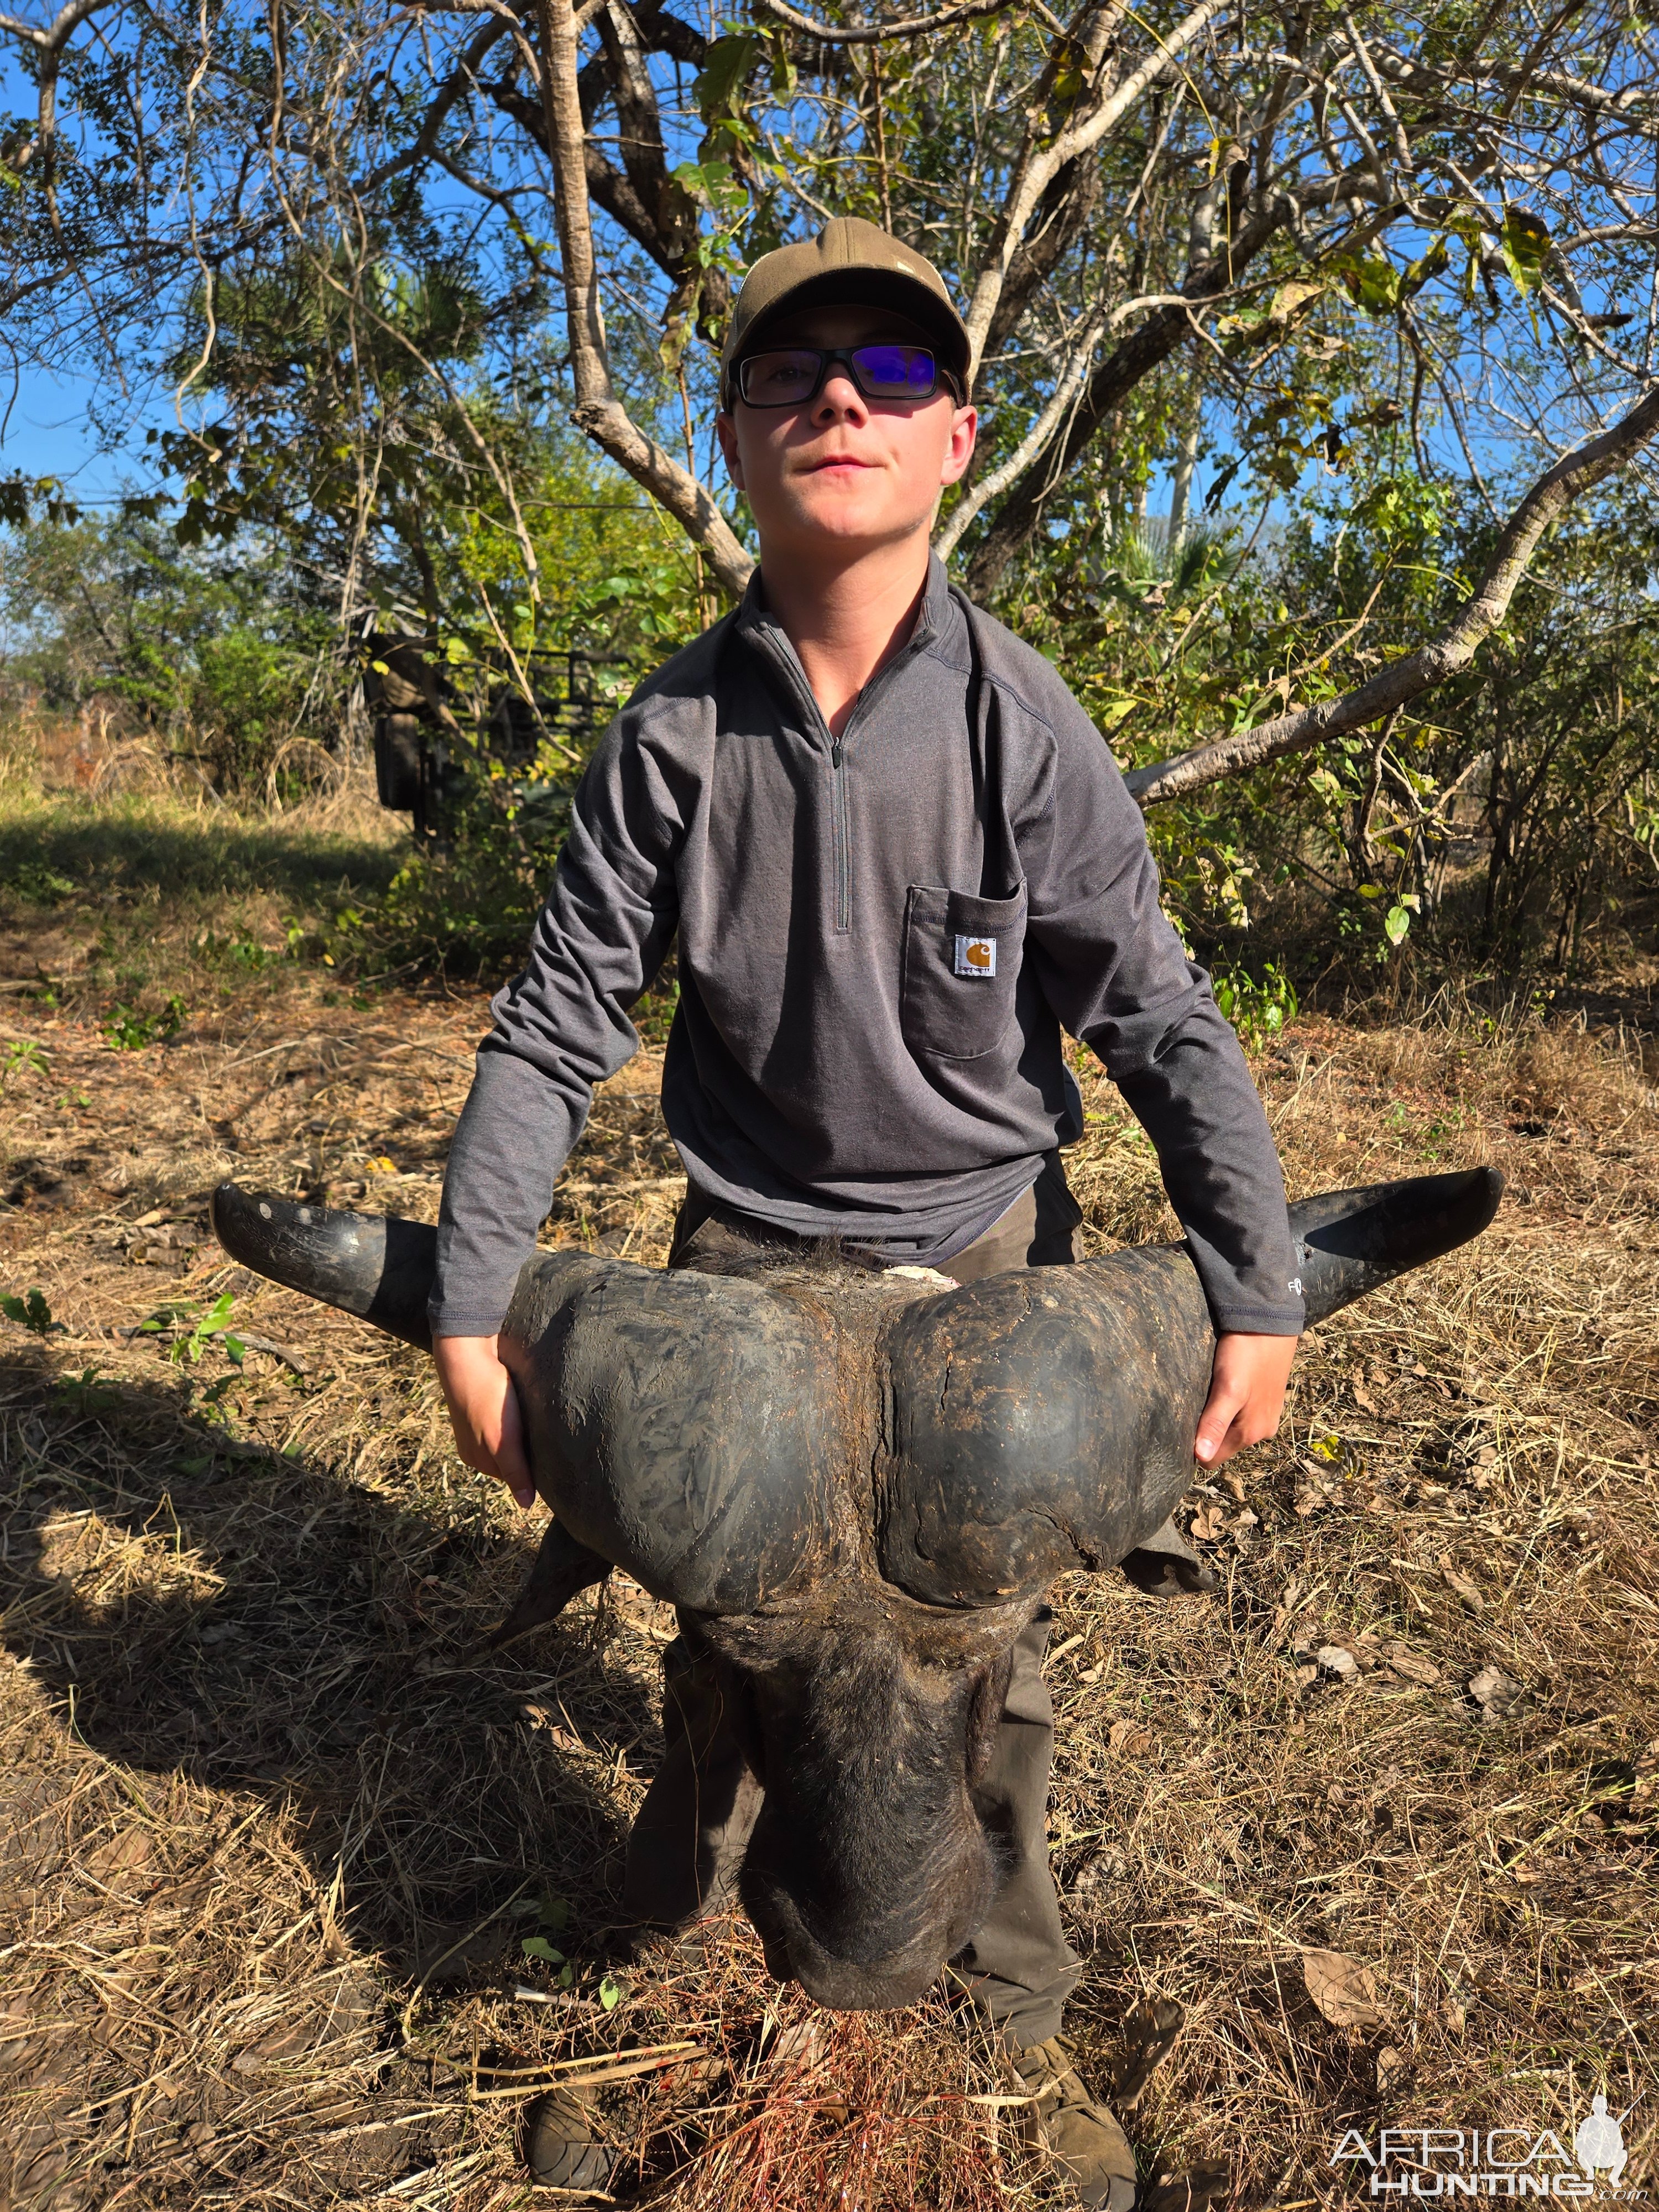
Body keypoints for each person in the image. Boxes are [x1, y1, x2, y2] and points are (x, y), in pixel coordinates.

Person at [430, 216, 1302, 2207]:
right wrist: (473, 1304)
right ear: (734, 439)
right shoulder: (669, 737)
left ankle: (1009, 2024)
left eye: (891, 374)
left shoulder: (1024, 720)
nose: (842, 398)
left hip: (986, 1256)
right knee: (720, 1647)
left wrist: (1254, 1280)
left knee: (988, 1668)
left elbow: (1156, 1009)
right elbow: (557, 1020)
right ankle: (651, 1982)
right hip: (744, 1250)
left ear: (957, 437)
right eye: (792, 373)